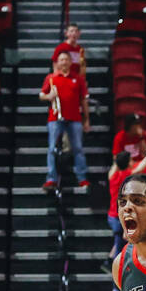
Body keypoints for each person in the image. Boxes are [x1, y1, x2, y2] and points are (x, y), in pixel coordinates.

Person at [40, 50, 90, 191]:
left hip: (75, 118)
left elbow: (84, 101)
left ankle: (82, 177)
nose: (64, 62)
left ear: (70, 62)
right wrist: (49, 96)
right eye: (61, 60)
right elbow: (41, 95)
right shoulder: (51, 78)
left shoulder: (78, 79)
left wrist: (87, 120)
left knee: (78, 149)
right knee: (52, 149)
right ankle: (51, 178)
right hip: (55, 118)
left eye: (66, 59)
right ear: (58, 62)